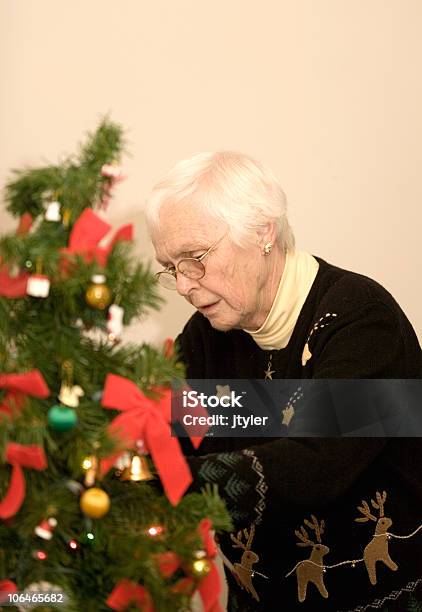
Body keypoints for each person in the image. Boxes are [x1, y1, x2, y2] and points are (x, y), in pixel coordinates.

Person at [145, 151, 422, 611]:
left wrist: (157, 486)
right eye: (171, 267)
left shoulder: (362, 319)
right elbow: (181, 440)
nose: (183, 286)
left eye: (194, 259)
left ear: (263, 232)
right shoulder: (203, 338)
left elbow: (318, 462)